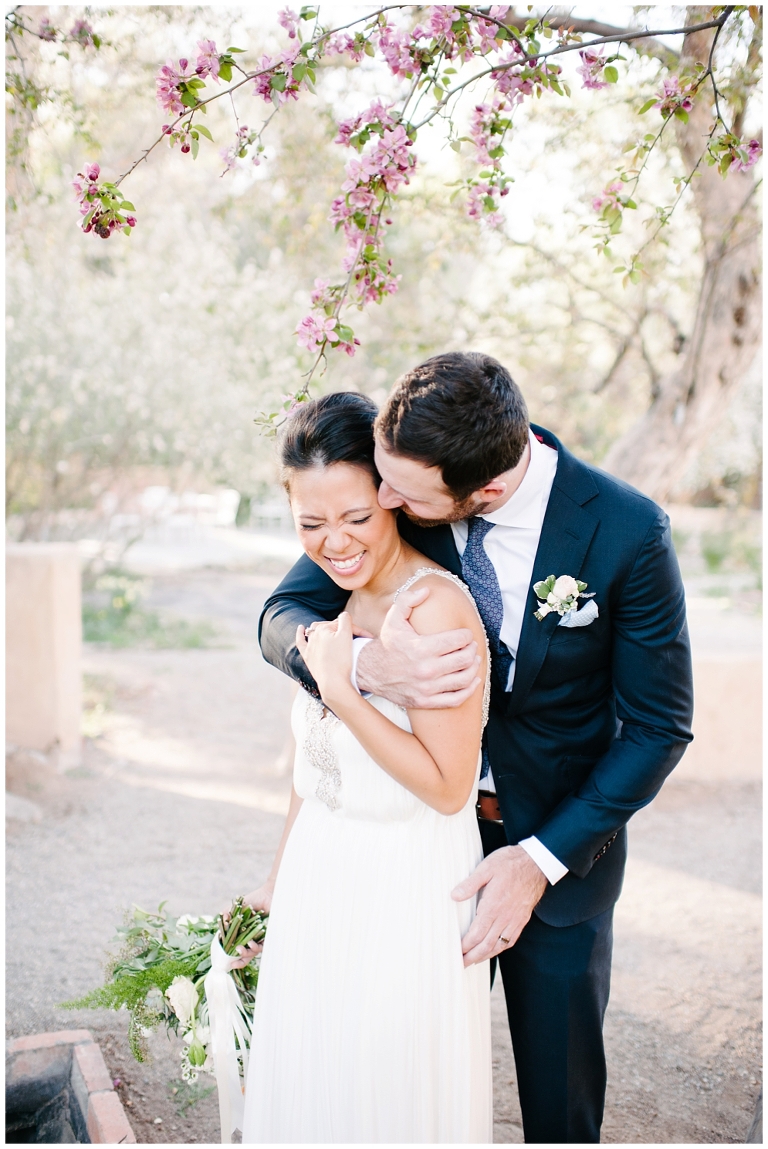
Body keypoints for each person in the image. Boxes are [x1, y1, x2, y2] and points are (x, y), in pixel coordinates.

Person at [258, 352, 694, 1143]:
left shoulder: (627, 532)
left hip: (557, 851)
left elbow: (661, 727)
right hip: (419, 851)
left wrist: (539, 859)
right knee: (399, 1074)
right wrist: (360, 664)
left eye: (399, 496)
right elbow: (285, 610)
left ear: (483, 490)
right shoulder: (413, 468)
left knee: (559, 1102)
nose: (383, 500)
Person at [240, 391, 493, 1143]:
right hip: (323, 883)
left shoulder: (434, 610)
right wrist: (279, 882)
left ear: (392, 498)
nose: (335, 541)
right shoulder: (339, 602)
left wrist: (346, 691)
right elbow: (313, 771)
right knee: (316, 1090)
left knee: (382, 1099)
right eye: (310, 524)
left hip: (400, 895)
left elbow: (450, 787)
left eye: (355, 518)